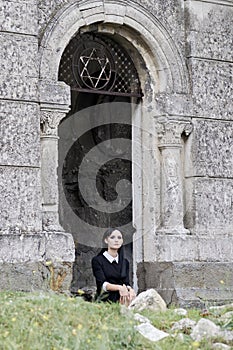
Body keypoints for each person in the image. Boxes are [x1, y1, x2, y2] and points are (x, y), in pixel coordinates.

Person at [92, 228, 136, 304]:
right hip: (105, 298)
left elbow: (126, 283)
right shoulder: (97, 260)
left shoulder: (125, 262)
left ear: (122, 241)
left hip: (122, 298)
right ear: (106, 240)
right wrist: (119, 288)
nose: (116, 240)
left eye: (119, 238)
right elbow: (103, 285)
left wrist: (130, 290)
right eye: (112, 237)